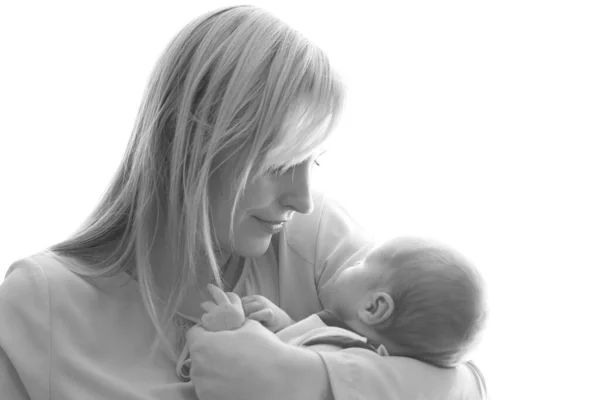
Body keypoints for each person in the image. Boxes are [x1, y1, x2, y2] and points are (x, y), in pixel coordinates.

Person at [0, 5, 487, 400]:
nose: (302, 198)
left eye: (312, 162)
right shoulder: (41, 303)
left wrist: (304, 379)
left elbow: (463, 380)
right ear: (189, 142)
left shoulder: (314, 242)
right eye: (279, 165)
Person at [185, 236, 486, 373]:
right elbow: (303, 353)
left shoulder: (341, 358)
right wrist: (285, 325)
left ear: (373, 308)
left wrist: (233, 331)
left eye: (362, 264)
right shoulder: (345, 349)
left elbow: (259, 373)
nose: (352, 262)